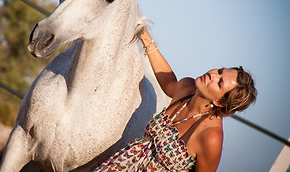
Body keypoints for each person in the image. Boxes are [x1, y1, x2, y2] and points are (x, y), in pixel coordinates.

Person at [94, 27, 257, 172]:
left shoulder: (211, 136)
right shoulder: (187, 88)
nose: (213, 75)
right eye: (220, 70)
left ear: (220, 103)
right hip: (120, 165)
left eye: (219, 82)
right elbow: (168, 82)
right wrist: (145, 37)